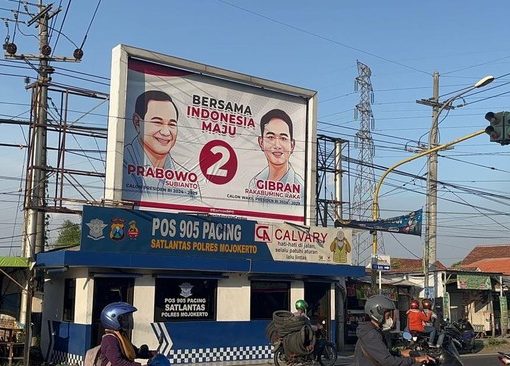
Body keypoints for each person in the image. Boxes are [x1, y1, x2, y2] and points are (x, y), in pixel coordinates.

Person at [123, 90, 200, 199]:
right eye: (157, 122)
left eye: (172, 124)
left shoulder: (189, 178)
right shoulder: (123, 163)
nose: (166, 132)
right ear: (137, 122)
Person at [353, 294, 433, 366]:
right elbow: (388, 361)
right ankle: (432, 342)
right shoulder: (371, 334)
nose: (389, 317)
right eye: (388, 313)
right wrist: (415, 359)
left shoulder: (369, 330)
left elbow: (380, 353)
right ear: (377, 312)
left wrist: (400, 352)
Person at [249, 109, 304, 193]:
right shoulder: (254, 183)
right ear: (261, 142)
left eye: (283, 138)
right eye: (271, 137)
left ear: (292, 145)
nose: (277, 145)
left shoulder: (301, 189)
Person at [99, 302, 155, 366]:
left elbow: (134, 352)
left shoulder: (121, 336)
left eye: (128, 318)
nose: (127, 321)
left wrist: (154, 354)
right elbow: (118, 362)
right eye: (124, 319)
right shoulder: (109, 340)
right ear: (113, 319)